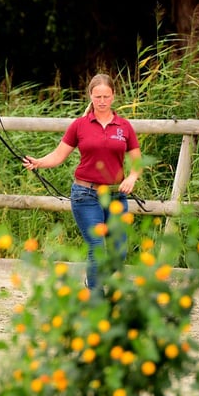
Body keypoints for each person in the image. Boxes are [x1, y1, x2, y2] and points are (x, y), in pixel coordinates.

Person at [22, 73, 142, 289]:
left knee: (118, 253)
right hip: (85, 194)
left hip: (116, 195)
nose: (102, 101)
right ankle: (95, 297)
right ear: (90, 96)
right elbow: (58, 156)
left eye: (106, 96)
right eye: (98, 97)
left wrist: (132, 177)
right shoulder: (79, 126)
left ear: (113, 96)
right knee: (97, 247)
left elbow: (137, 162)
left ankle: (93, 280)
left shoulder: (124, 127)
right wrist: (38, 162)